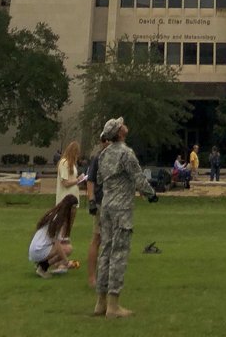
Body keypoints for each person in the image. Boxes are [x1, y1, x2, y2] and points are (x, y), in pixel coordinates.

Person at [93, 116, 157, 319]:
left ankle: (100, 302)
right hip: (121, 209)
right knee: (119, 253)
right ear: (119, 132)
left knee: (105, 252)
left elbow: (100, 180)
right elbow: (138, 178)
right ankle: (113, 305)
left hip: (106, 207)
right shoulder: (126, 153)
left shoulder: (103, 155)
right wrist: (151, 194)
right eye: (121, 125)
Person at [29, 195, 78, 278]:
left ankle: (41, 265)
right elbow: (57, 244)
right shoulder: (59, 219)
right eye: (74, 207)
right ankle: (42, 268)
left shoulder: (55, 214)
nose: (75, 210)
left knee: (67, 247)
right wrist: (66, 262)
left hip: (36, 248)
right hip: (38, 250)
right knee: (67, 249)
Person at [85, 135, 110, 289]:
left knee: (111, 242)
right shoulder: (97, 158)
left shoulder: (118, 156)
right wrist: (91, 200)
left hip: (114, 204)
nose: (107, 142)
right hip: (101, 203)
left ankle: (107, 276)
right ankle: (92, 277)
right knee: (97, 239)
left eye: (110, 139)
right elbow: (90, 181)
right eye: (104, 140)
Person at [56, 140, 84, 207]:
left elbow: (72, 179)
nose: (77, 156)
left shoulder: (72, 164)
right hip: (65, 199)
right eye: (76, 153)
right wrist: (78, 180)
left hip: (73, 198)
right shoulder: (64, 163)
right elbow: (65, 183)